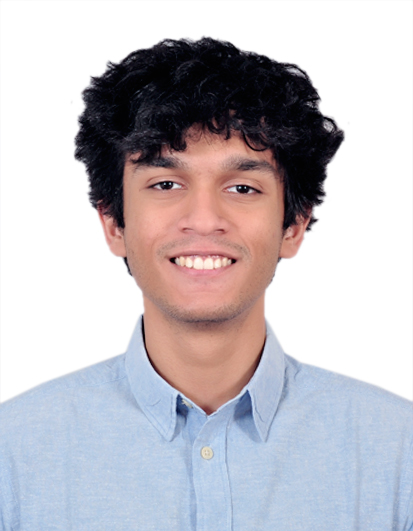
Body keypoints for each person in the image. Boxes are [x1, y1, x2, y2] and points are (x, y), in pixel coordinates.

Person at [0, 37, 411, 530]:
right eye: (165, 184)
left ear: (294, 224)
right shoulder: (14, 455)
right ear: (114, 224)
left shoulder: (397, 453)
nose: (204, 219)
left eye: (242, 187)